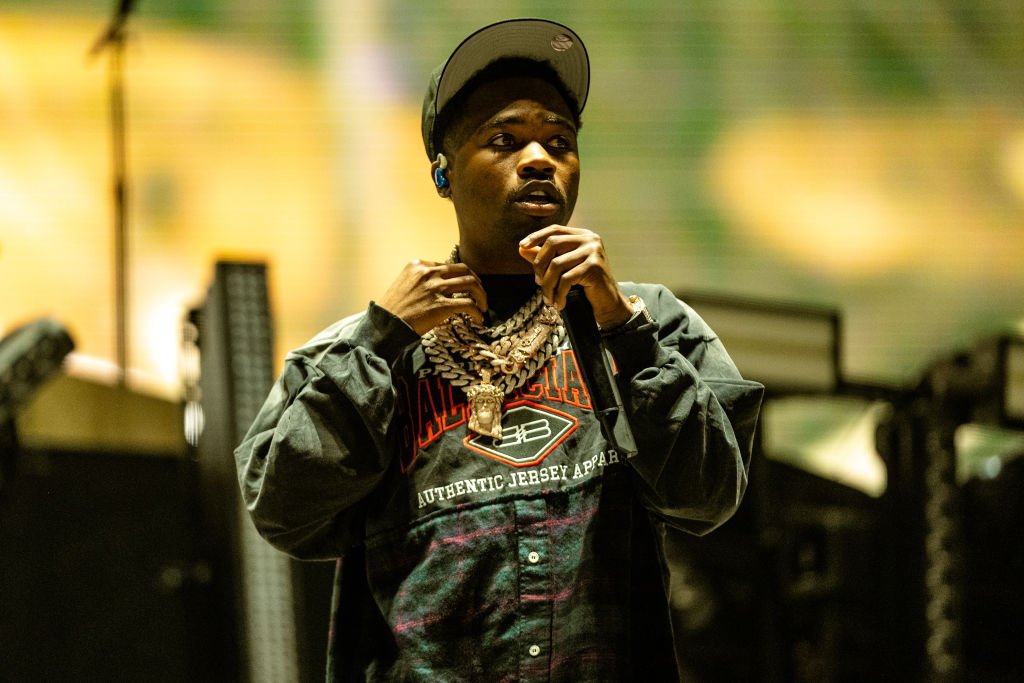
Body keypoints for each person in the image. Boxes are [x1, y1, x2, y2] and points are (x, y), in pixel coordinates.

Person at [235, 18, 764, 682]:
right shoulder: (358, 351)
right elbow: (285, 514)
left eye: (560, 141)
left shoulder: (650, 321)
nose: (540, 158)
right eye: (505, 140)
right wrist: (380, 339)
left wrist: (621, 328)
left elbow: (709, 496)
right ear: (443, 173)